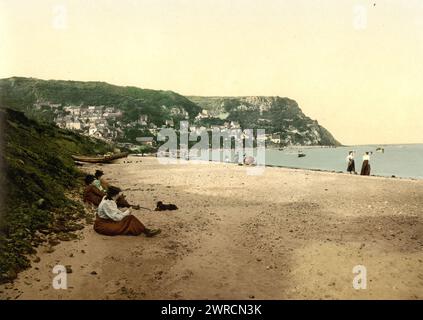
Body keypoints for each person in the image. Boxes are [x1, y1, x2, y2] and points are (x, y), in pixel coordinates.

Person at [94, 186, 161, 237]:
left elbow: (114, 212)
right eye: (118, 194)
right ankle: (146, 231)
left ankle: (145, 230)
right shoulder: (107, 203)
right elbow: (117, 218)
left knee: (129, 219)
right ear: (115, 195)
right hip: (103, 225)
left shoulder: (107, 199)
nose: (119, 195)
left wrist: (124, 212)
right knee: (130, 218)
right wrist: (127, 212)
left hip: (106, 221)